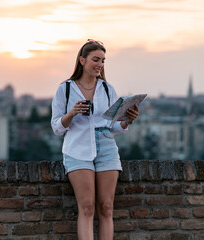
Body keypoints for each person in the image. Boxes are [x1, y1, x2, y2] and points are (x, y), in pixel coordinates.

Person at [51, 39, 139, 240]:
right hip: (77, 149)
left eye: (103, 61)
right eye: (95, 59)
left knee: (106, 208)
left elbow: (113, 126)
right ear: (82, 60)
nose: (100, 64)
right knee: (87, 207)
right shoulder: (65, 89)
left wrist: (127, 121)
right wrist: (71, 113)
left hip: (106, 147)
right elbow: (57, 127)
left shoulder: (108, 89)